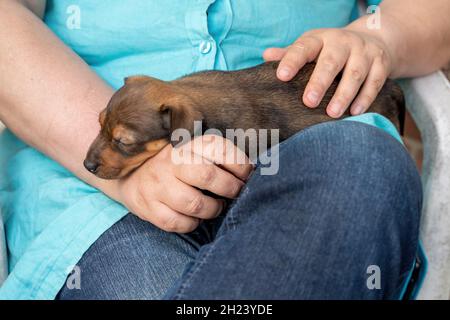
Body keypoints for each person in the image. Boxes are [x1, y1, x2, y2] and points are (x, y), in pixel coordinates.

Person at [0, 0, 448, 299]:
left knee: (361, 162)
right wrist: (129, 170)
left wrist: (381, 35)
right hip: (91, 198)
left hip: (318, 153)